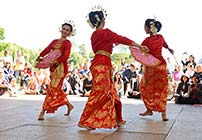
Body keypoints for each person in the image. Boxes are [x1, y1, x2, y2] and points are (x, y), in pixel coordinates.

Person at [78, 7, 147, 129]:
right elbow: (121, 38)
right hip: (103, 65)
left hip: (100, 64)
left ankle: (118, 119)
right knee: (100, 92)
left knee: (112, 92)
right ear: (102, 20)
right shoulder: (105, 32)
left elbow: (110, 42)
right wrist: (139, 46)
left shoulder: (94, 35)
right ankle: (85, 120)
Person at [37, 21, 75, 120]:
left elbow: (65, 56)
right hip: (52, 68)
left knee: (52, 89)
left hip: (61, 69)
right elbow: (47, 49)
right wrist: (40, 56)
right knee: (56, 89)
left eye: (67, 30)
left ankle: (42, 112)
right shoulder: (54, 41)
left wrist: (56, 61)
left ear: (70, 33)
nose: (65, 31)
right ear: (61, 29)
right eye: (64, 29)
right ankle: (68, 105)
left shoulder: (68, 43)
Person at [138, 18, 174, 121]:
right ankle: (163, 113)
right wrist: (169, 49)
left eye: (145, 26)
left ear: (150, 28)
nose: (144, 28)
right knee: (161, 89)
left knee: (145, 87)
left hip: (151, 65)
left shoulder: (146, 40)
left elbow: (141, 50)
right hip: (161, 64)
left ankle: (149, 109)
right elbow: (165, 45)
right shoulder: (160, 37)